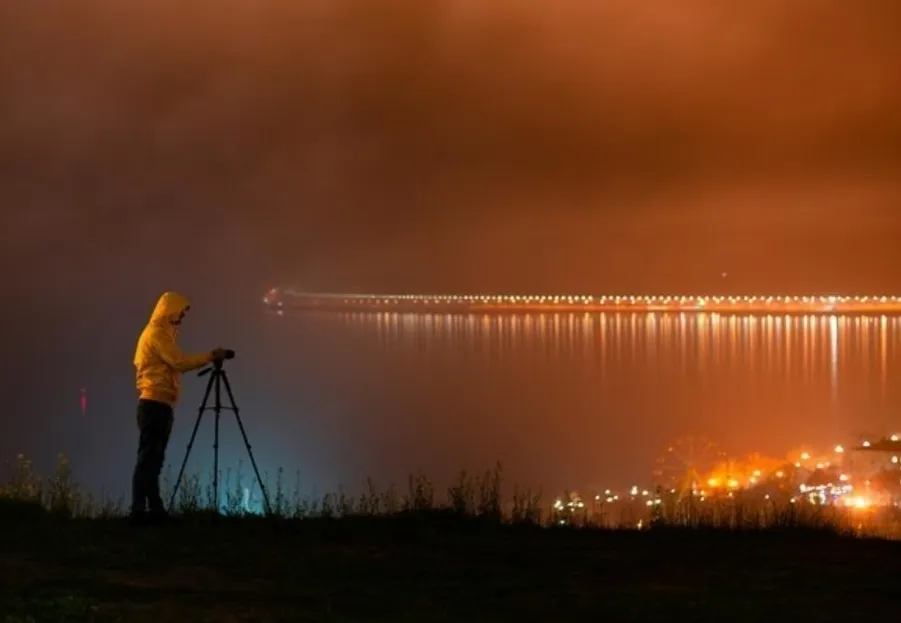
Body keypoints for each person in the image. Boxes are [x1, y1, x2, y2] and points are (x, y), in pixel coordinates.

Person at [131, 291, 228, 523]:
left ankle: (153, 510)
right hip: (154, 404)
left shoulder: (159, 335)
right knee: (148, 460)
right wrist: (210, 356)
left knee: (154, 460)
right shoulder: (156, 335)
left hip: (160, 404)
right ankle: (139, 511)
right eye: (180, 313)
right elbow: (179, 362)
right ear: (169, 311)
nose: (181, 319)